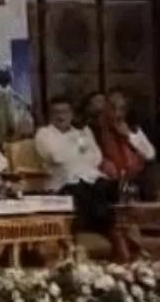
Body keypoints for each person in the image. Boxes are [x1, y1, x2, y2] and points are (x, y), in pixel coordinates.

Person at [34, 97, 117, 234]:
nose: (61, 116)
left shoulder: (82, 132)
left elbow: (96, 157)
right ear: (50, 115)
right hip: (62, 183)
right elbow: (57, 157)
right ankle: (99, 235)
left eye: (65, 112)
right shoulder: (44, 134)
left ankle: (107, 234)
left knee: (107, 189)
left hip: (90, 179)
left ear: (71, 114)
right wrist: (79, 153)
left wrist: (71, 151)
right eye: (56, 112)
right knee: (82, 193)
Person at [100, 90, 157, 201]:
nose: (117, 114)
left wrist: (129, 136)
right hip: (109, 176)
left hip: (134, 176)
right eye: (113, 108)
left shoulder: (133, 128)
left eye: (121, 109)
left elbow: (150, 154)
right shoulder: (98, 129)